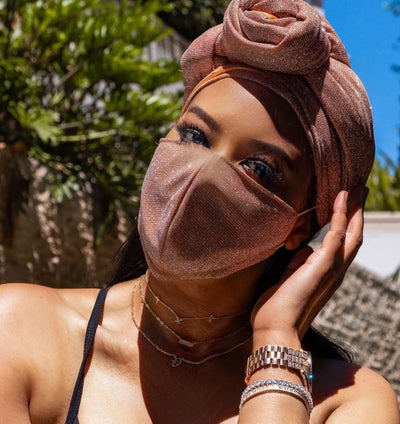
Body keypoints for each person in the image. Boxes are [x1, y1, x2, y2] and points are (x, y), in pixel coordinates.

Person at [0, 0, 399, 422]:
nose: (202, 175)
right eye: (194, 135)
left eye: (259, 168)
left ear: (301, 225)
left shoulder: (347, 401)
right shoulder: (21, 330)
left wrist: (276, 342)